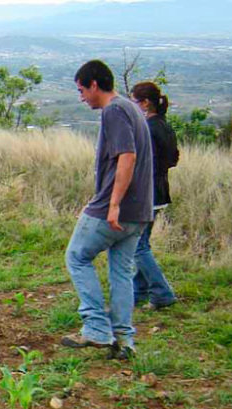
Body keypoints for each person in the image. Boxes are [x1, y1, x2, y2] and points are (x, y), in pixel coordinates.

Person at [62, 60, 153, 360]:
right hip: (140, 210)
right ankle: (124, 340)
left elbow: (127, 156)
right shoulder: (131, 108)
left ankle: (97, 328)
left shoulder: (113, 111)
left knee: (76, 256)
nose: (82, 97)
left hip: (114, 208)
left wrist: (113, 204)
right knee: (121, 272)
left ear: (94, 85)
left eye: (82, 90)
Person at [130, 80, 179, 311]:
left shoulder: (148, 129)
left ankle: (162, 293)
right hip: (160, 192)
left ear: (145, 103)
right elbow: (173, 159)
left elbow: (138, 163)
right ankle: (137, 292)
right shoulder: (164, 126)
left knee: (138, 247)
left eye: (135, 102)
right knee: (142, 244)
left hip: (147, 193)